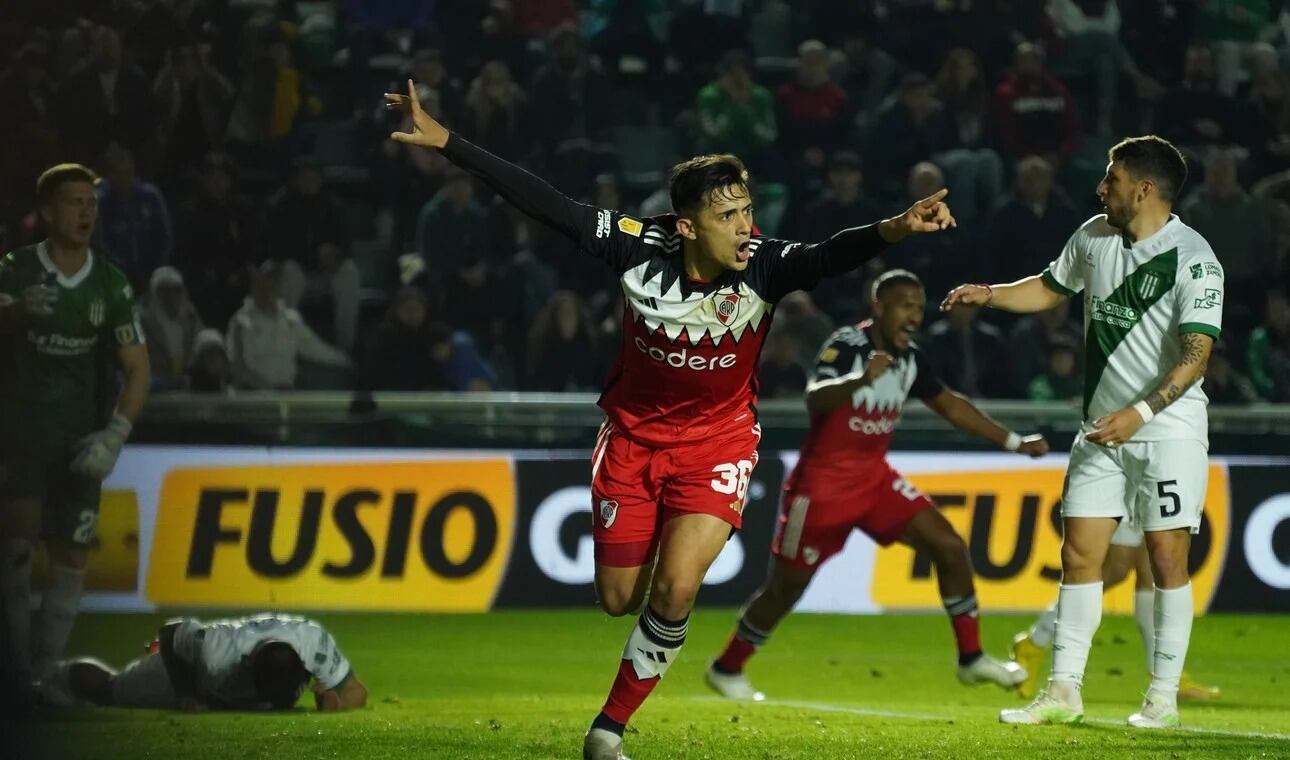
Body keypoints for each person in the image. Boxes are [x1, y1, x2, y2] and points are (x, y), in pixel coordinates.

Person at [384, 78, 956, 760]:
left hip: (719, 444)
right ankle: (647, 566)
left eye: (747, 210)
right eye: (729, 216)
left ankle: (608, 730)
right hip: (630, 442)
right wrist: (447, 140)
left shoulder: (764, 267)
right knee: (619, 598)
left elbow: (829, 254)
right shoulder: (636, 246)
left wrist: (895, 227)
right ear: (686, 226)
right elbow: (546, 204)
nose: (747, 227)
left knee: (680, 586)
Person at [942, 135, 1224, 729]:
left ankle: (1162, 698)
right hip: (1100, 430)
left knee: (1166, 558)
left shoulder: (1195, 260)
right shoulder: (1094, 236)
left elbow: (1197, 354)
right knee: (1078, 555)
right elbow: (1049, 287)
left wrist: (1142, 413)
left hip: (1167, 430)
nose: (1102, 188)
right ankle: (1063, 690)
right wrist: (990, 295)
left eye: (1112, 179)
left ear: (1144, 190)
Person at [707, 270, 1046, 702]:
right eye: (905, 305)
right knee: (786, 587)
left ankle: (971, 658)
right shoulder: (849, 344)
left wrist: (1015, 442)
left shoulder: (911, 359)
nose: (914, 316)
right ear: (879, 307)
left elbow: (952, 407)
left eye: (919, 308)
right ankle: (727, 667)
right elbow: (815, 397)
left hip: (874, 480)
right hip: (822, 488)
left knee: (948, 546)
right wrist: (860, 380)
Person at [0, 163, 151, 707]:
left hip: (79, 443)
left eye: (92, 202)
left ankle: (41, 679)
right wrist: (15, 312)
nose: (86, 212)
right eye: (74, 202)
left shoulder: (109, 282)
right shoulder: (15, 269)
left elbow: (138, 367)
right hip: (21, 436)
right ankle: (14, 676)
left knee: (71, 561)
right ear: (46, 211)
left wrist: (114, 433)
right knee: (15, 550)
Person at [1010, 522, 1222, 702]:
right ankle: (1036, 640)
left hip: (1156, 483)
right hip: (1132, 484)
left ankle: (1166, 675)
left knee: (1154, 567)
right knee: (1115, 569)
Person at [43, 613, 366, 711]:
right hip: (184, 671)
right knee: (108, 691)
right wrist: (186, 690)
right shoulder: (216, 652)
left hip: (217, 689)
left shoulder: (313, 643)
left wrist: (336, 701)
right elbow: (171, 633)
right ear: (248, 666)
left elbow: (357, 691)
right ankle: (53, 677)